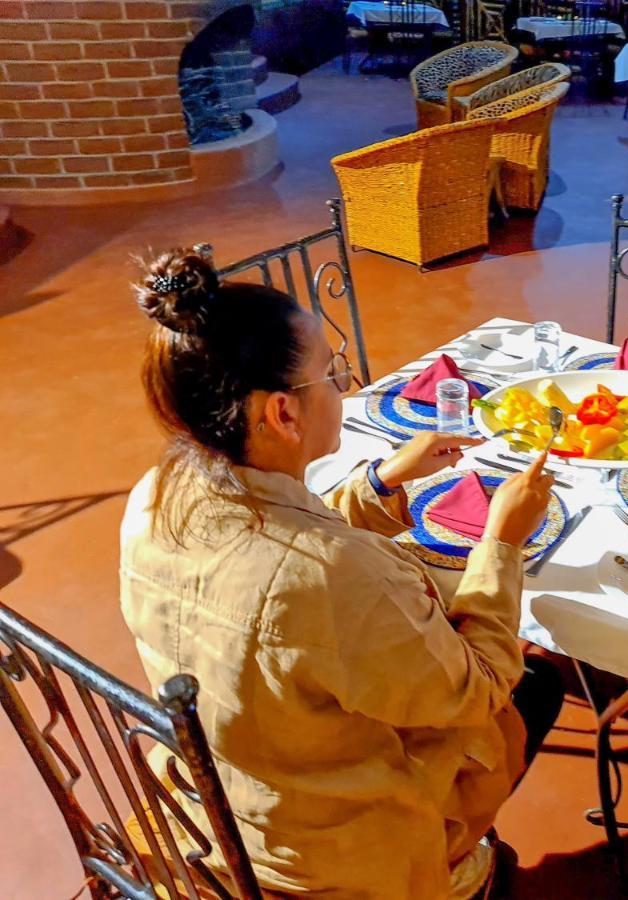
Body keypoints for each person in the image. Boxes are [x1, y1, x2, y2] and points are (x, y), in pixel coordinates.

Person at [120, 248, 564, 899]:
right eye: (332, 374)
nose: (344, 388)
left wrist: (383, 480)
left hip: (220, 803)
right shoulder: (334, 578)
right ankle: (463, 867)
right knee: (533, 684)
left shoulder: (154, 498)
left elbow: (277, 544)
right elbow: (478, 686)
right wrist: (502, 539)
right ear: (282, 413)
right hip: (334, 857)